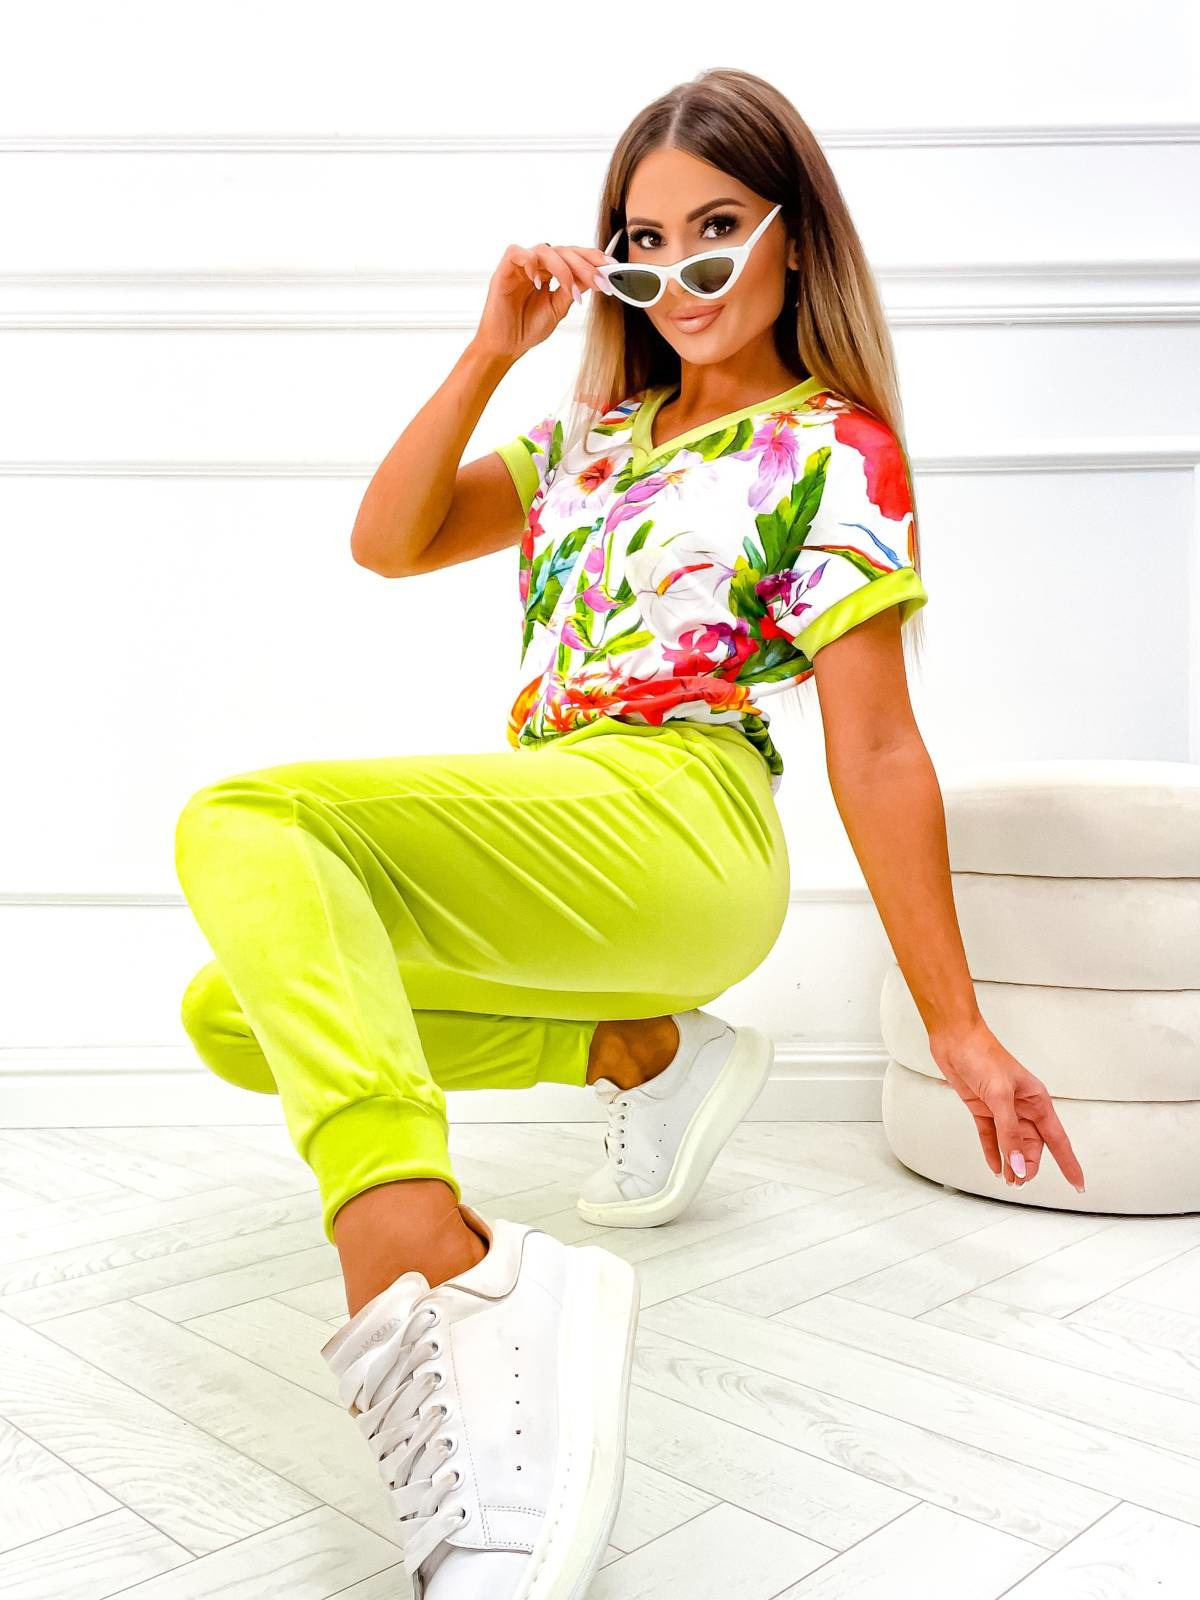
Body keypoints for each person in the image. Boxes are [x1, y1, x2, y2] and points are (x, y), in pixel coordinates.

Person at [174, 66, 1086, 1600]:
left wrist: (959, 1023)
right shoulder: (594, 441)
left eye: (717, 229)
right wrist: (494, 350)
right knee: (228, 1013)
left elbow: (874, 745)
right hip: (563, 808)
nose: (681, 272)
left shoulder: (830, 445)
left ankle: (424, 1261)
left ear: (795, 237)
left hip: (687, 819)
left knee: (246, 822)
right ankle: (638, 1050)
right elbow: (388, 541)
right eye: (645, 242)